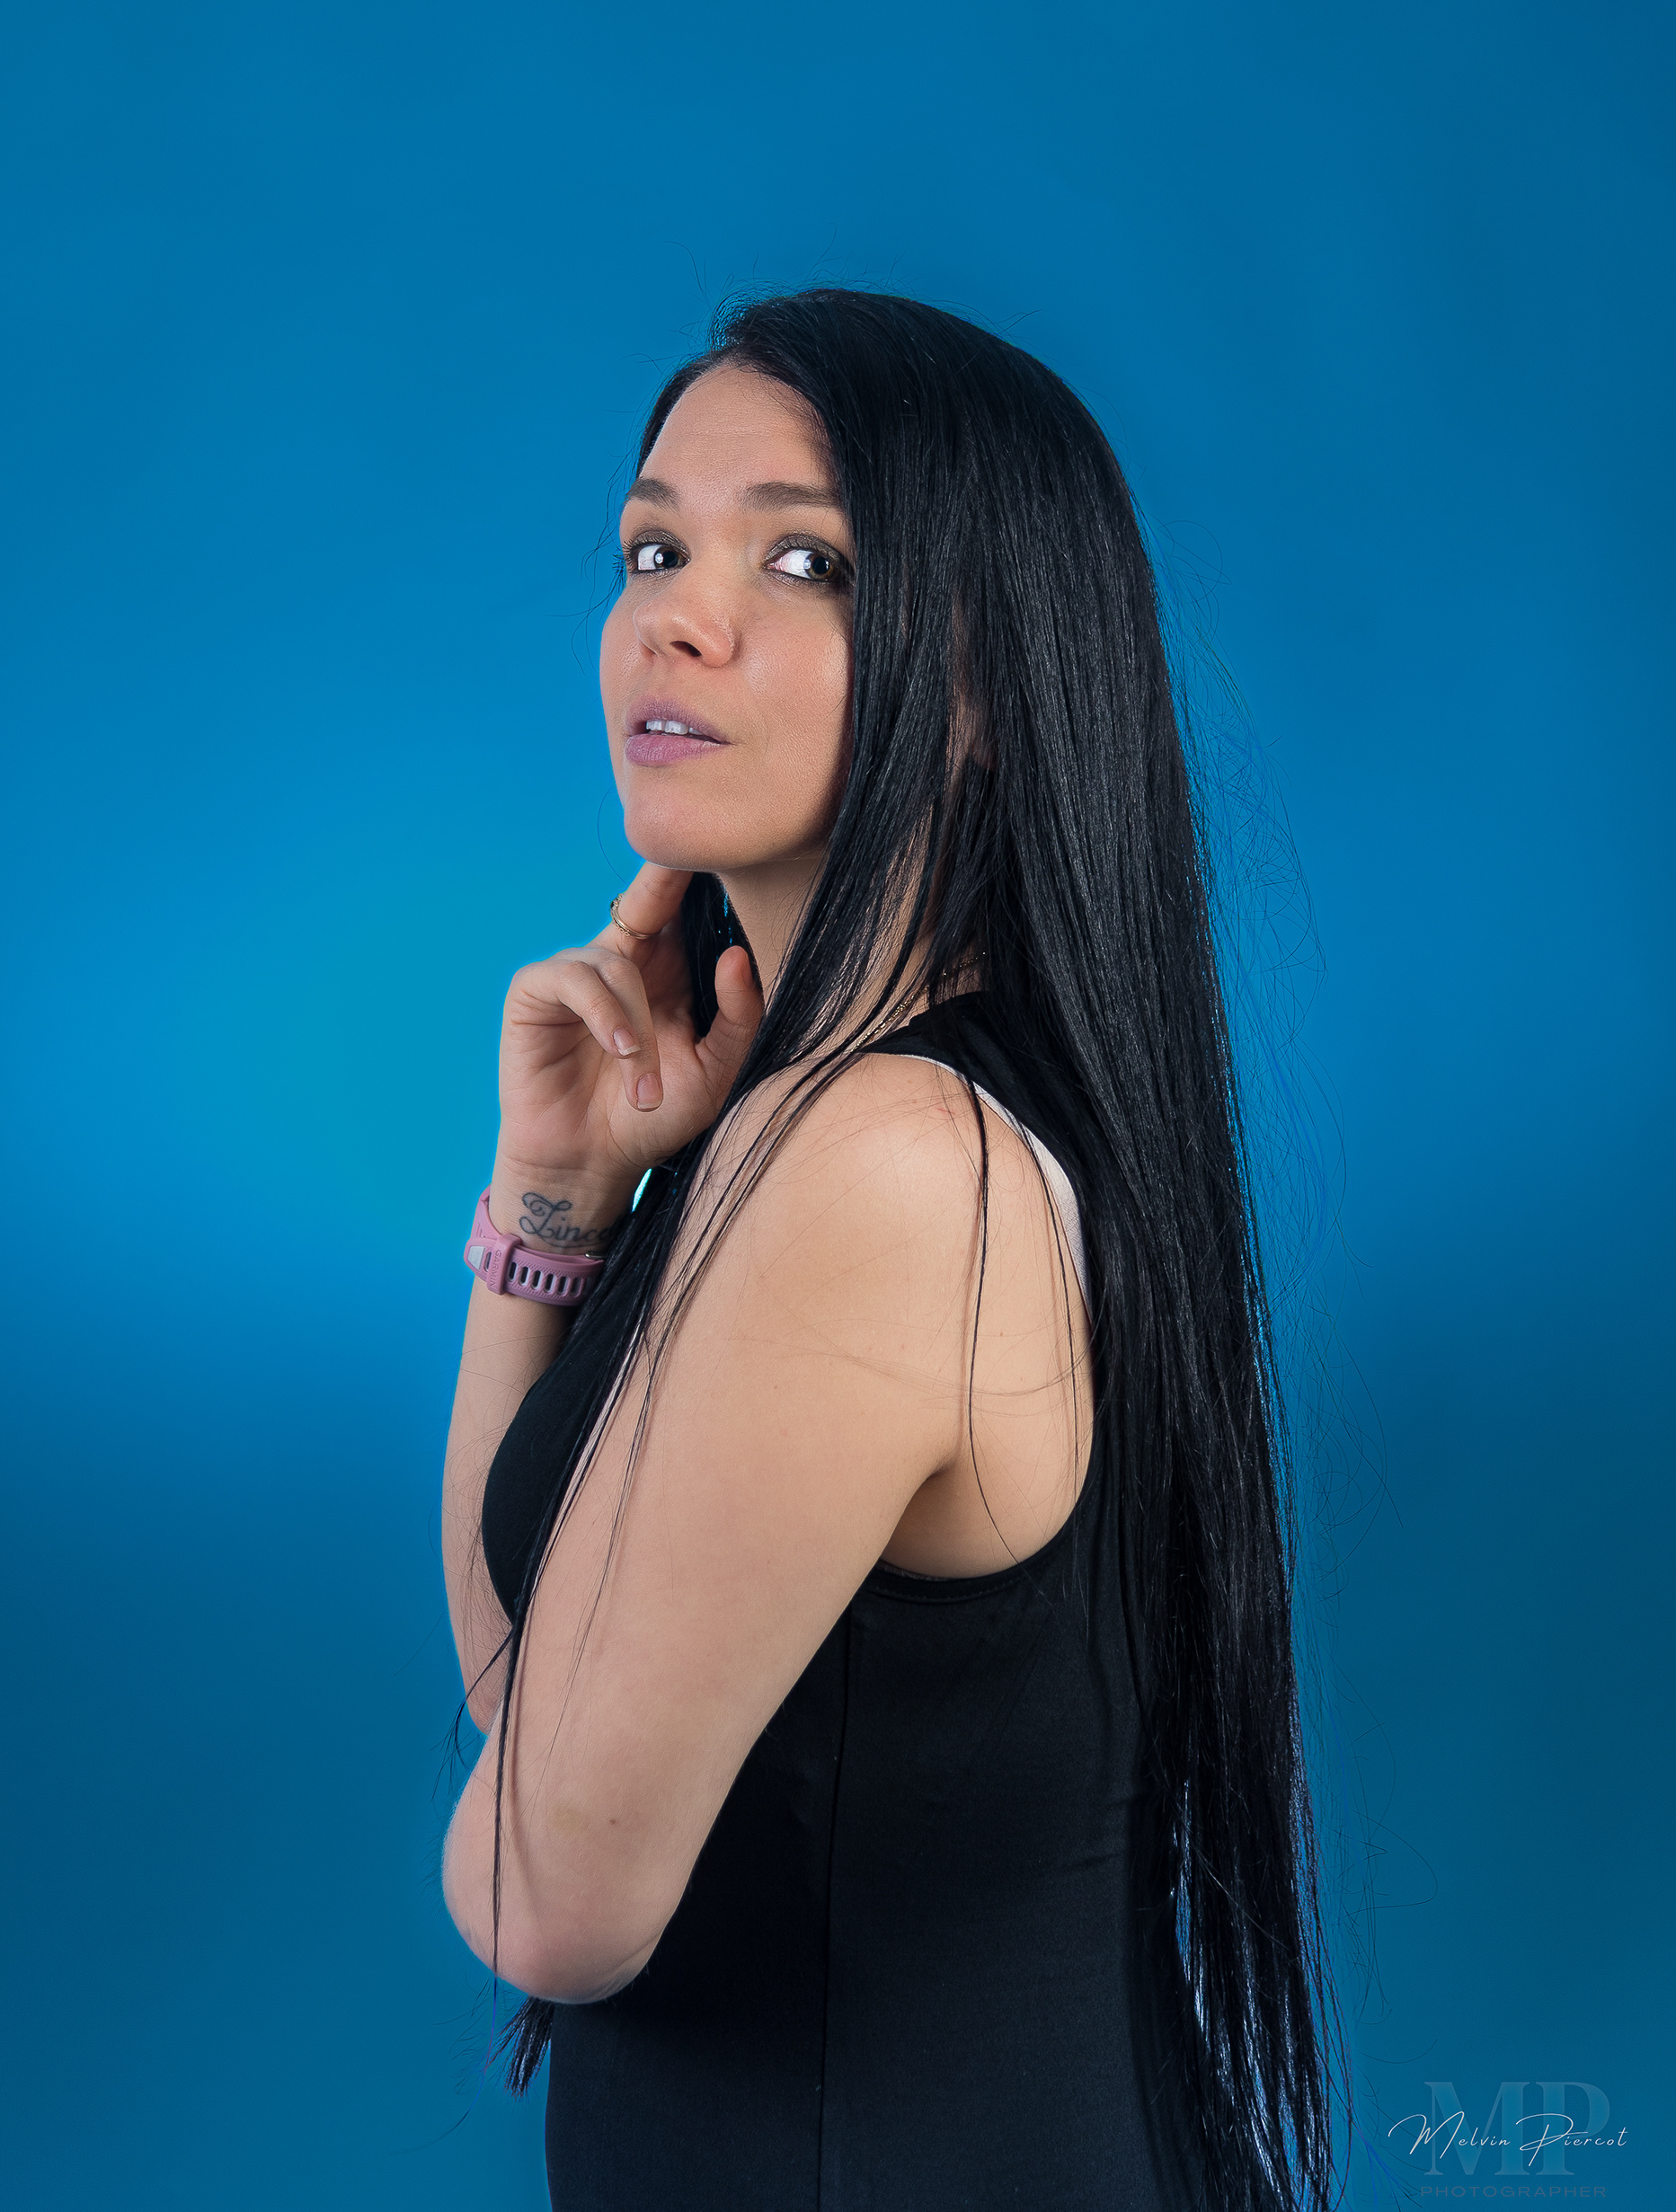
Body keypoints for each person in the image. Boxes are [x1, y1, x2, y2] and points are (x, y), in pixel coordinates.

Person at [439, 289, 1339, 2210]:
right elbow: (529, 1704)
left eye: (806, 561)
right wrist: (555, 1209)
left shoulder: (885, 1166)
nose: (679, 617)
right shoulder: (808, 1121)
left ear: (990, 683)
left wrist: (514, 1823)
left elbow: (546, 1891)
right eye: (654, 549)